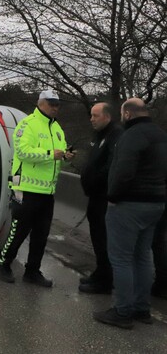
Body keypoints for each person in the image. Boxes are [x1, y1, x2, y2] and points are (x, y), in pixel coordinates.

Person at [93, 98, 167, 329]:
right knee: (142, 257)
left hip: (129, 205)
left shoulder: (131, 136)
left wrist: (112, 197)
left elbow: (122, 171)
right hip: (155, 204)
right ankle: (141, 308)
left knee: (121, 258)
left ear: (127, 114)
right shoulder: (160, 134)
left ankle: (123, 311)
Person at [0, 89, 73, 287]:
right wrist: (50, 153)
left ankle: (32, 271)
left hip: (47, 192)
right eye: (52, 103)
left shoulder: (58, 129)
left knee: (41, 234)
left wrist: (64, 156)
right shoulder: (27, 124)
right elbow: (23, 152)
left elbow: (57, 157)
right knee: (19, 231)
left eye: (58, 104)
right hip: (26, 189)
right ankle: (3, 263)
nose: (56, 107)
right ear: (41, 103)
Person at [78, 103, 122, 294]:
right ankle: (100, 272)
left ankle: (105, 281)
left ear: (107, 116)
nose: (91, 119)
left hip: (104, 197)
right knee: (97, 238)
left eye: (95, 116)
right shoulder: (99, 136)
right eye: (91, 116)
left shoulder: (115, 135)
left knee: (104, 240)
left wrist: (94, 181)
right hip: (94, 197)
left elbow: (111, 166)